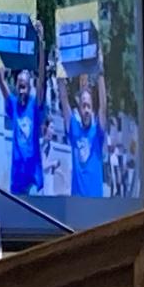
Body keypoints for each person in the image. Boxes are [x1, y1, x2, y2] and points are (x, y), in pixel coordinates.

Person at [0, 19, 46, 195]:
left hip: (33, 180)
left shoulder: (35, 105)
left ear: (30, 86)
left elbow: (41, 75)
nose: (21, 85)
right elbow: (0, 79)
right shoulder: (13, 106)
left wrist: (40, 42)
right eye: (19, 83)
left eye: (25, 83)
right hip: (16, 182)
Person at [58, 56, 107, 198]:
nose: (86, 110)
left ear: (92, 109)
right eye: (83, 106)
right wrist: (60, 67)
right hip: (77, 200)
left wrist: (100, 71)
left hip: (96, 201)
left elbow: (103, 106)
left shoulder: (97, 132)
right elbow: (63, 99)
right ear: (79, 109)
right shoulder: (74, 128)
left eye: (88, 106)